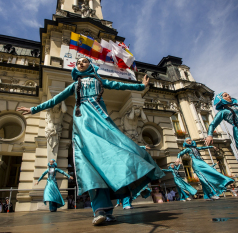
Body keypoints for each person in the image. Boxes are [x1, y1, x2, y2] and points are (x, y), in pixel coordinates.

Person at [17, 57, 165, 225]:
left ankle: (131, 178)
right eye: (78, 62)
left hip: (102, 123)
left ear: (90, 65)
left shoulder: (98, 81)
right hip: (84, 125)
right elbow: (55, 100)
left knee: (118, 150)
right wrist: (33, 109)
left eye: (84, 61)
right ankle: (101, 211)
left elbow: (120, 85)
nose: (80, 63)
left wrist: (141, 86)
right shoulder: (75, 85)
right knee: (90, 166)